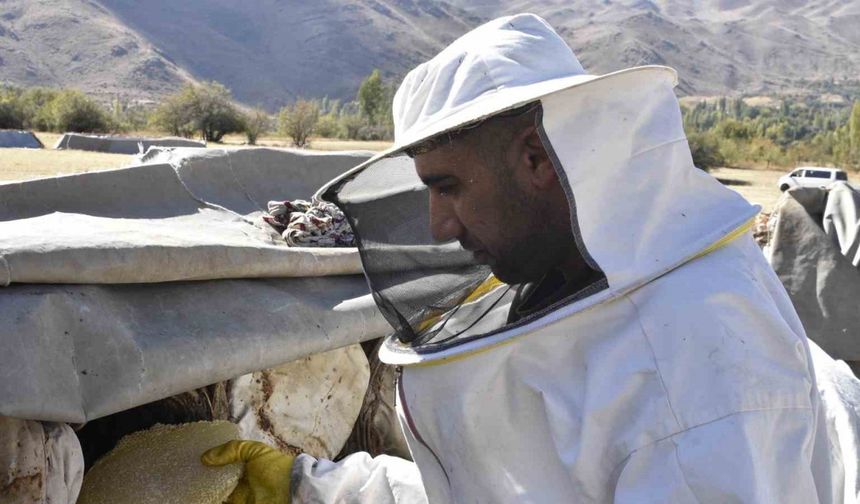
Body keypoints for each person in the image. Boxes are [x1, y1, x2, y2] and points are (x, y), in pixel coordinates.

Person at [203, 14, 848, 503]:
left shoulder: (691, 361)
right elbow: (501, 481)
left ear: (537, 160)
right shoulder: (576, 281)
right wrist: (311, 488)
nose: (438, 225)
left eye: (449, 187)